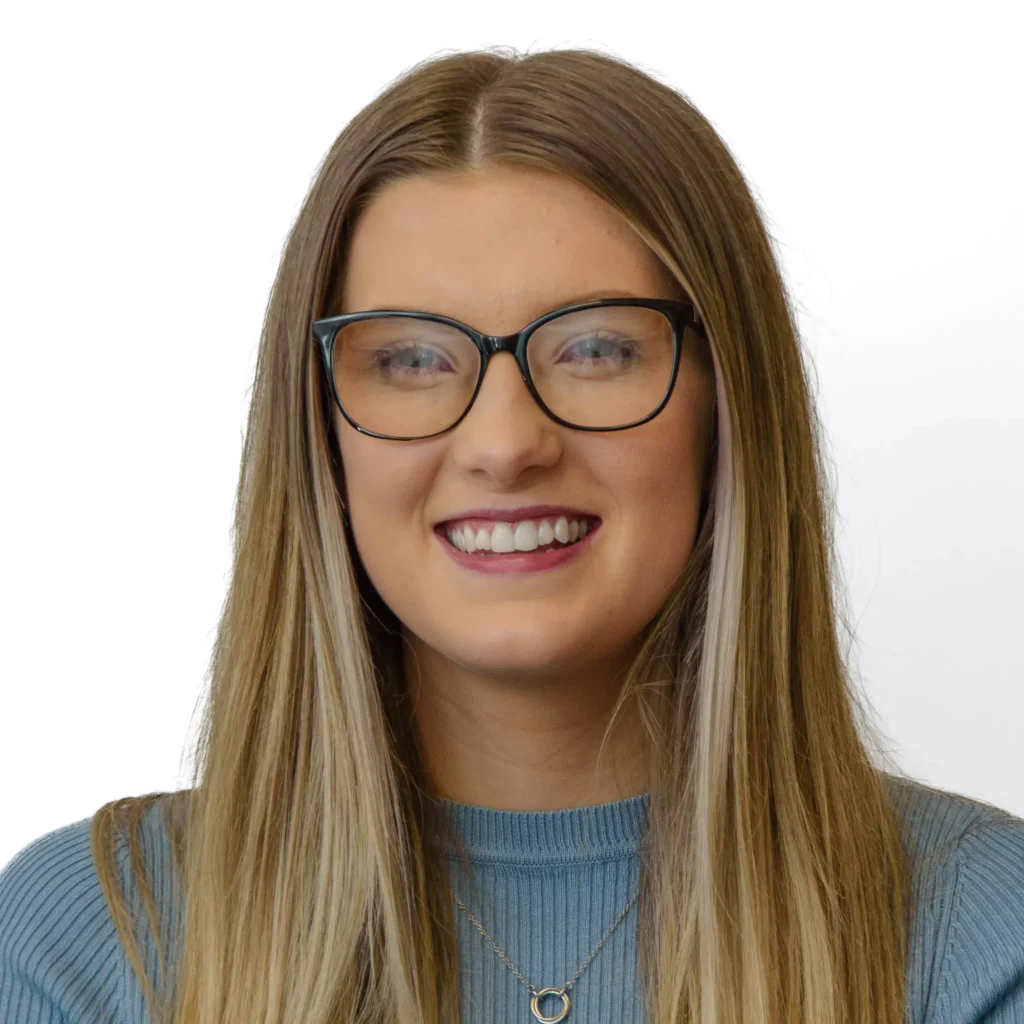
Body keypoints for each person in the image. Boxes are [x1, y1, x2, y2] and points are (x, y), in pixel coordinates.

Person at [1, 45, 1022, 1024]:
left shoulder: (980, 935)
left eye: (594, 347)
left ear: (730, 404)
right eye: (408, 358)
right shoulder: (89, 942)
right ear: (318, 430)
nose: (503, 442)